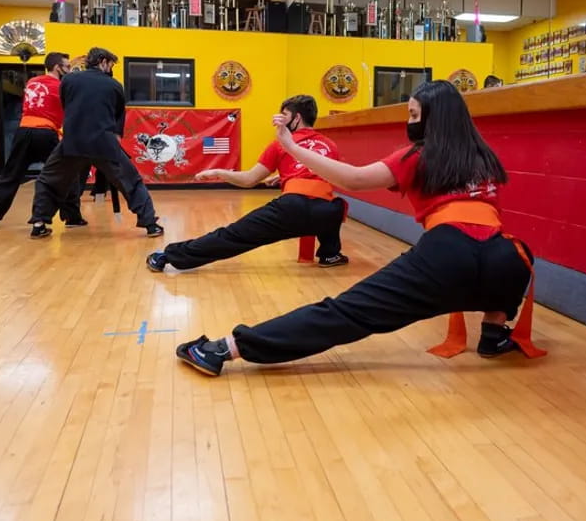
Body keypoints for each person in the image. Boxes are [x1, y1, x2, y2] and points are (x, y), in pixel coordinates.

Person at [175, 80, 534, 377]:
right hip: (505, 256)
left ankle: (224, 349)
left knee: (345, 313)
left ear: (433, 119)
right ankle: (494, 333)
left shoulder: (417, 155)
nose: (409, 121)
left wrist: (289, 146)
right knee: (518, 258)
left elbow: (355, 179)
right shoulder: (485, 156)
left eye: (413, 114)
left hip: (446, 253)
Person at [146, 94, 348, 272]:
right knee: (334, 205)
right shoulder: (331, 144)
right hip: (326, 213)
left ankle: (168, 256)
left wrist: (218, 172)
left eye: (284, 116)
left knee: (232, 236)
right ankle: (330, 254)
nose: (280, 121)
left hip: (291, 209)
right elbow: (327, 175)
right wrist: (287, 178)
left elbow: (249, 180)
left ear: (296, 118)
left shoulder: (280, 144)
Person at [28, 46, 163, 238]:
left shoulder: (68, 80)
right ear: (103, 62)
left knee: (48, 181)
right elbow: (117, 116)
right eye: (111, 64)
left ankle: (39, 223)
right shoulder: (114, 85)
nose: (111, 68)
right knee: (131, 182)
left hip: (72, 143)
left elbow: (67, 106)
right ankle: (151, 225)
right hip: (104, 143)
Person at [0, 52, 83, 228]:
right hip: (45, 133)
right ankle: (72, 217)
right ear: (58, 68)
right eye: (67, 67)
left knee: (10, 175)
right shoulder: (62, 86)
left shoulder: (32, 82)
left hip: (23, 131)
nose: (69, 70)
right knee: (66, 172)